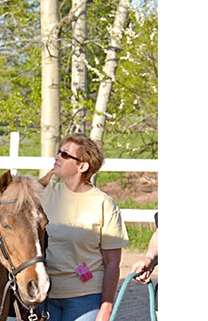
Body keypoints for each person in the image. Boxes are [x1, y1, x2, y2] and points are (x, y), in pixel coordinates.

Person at [39, 134, 130, 321]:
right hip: (45, 294)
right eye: (58, 152)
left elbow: (112, 263)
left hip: (86, 296)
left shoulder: (104, 204)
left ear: (82, 166)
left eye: (65, 155)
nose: (57, 157)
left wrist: (106, 308)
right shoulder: (45, 194)